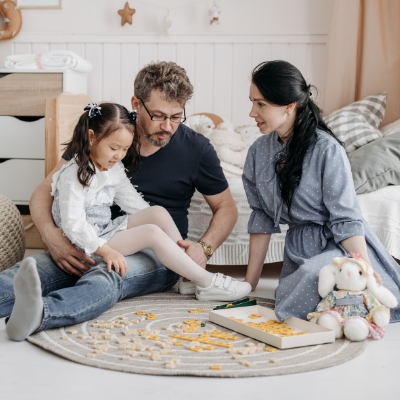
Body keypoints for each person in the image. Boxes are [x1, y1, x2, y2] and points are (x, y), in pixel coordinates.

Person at [0, 61, 241, 340]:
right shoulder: (105, 132)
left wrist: (203, 248)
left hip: (160, 252)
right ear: (135, 103)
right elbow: (44, 191)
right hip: (93, 238)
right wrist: (52, 236)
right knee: (25, 273)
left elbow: (227, 208)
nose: (168, 127)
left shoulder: (197, 148)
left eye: (176, 116)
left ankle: (42, 315)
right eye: (159, 115)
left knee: (109, 273)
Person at [242, 60, 400, 323]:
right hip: (299, 248)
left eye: (261, 104)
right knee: (296, 288)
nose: (251, 112)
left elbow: (347, 220)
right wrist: (249, 284)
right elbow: (261, 216)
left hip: (339, 245)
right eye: (252, 102)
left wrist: (366, 270)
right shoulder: (259, 151)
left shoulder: (327, 150)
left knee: (310, 283)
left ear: (289, 106)